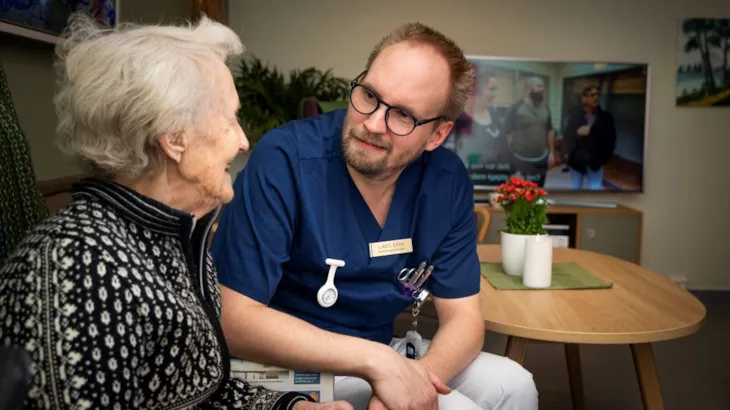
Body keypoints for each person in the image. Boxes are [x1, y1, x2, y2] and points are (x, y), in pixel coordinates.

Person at [0, 13, 351, 410]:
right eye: (230, 119)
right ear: (175, 139)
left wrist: (291, 408)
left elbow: (204, 391)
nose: (242, 141)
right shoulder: (75, 269)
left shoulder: (176, 237)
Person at [211, 22, 539, 410]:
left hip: (382, 350)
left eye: (402, 115)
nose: (371, 123)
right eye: (369, 95)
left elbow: (465, 320)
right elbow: (233, 319)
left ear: (437, 135)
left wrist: (415, 382)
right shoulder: (286, 160)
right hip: (286, 363)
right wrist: (378, 363)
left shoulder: (446, 182)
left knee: (514, 384)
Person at [445, 68, 512, 183]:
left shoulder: (494, 114)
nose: (495, 95)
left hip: (494, 181)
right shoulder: (457, 118)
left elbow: (503, 148)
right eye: (491, 89)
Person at [503, 76, 557, 187]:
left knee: (538, 189)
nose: (542, 89)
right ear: (528, 88)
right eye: (539, 86)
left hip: (541, 159)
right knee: (520, 192)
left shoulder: (545, 108)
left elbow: (550, 130)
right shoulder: (515, 108)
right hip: (520, 160)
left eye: (543, 87)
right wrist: (511, 158)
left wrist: (551, 152)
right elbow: (507, 133)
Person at [562, 85, 617, 190]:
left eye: (597, 95)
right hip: (577, 159)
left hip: (596, 161)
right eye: (592, 95)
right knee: (576, 188)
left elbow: (611, 139)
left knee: (595, 189)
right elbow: (566, 135)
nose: (596, 98)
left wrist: (604, 158)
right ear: (584, 98)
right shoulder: (574, 115)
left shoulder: (606, 117)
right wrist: (577, 133)